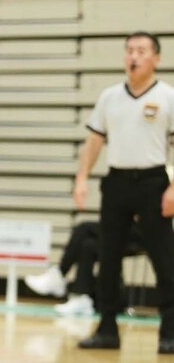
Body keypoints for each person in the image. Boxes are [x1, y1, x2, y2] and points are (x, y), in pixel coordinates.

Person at [74, 32, 174, 353]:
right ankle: (106, 329)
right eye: (129, 50)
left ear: (156, 59)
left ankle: (170, 333)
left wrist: (173, 188)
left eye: (142, 51)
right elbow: (94, 142)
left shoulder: (168, 97)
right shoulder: (109, 97)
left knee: (164, 258)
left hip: (153, 182)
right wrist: (81, 178)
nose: (134, 56)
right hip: (117, 182)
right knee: (109, 254)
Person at [24, 220, 145, 316]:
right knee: (88, 246)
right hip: (130, 226)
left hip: (149, 231)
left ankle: (59, 274)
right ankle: (81, 297)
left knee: (84, 228)